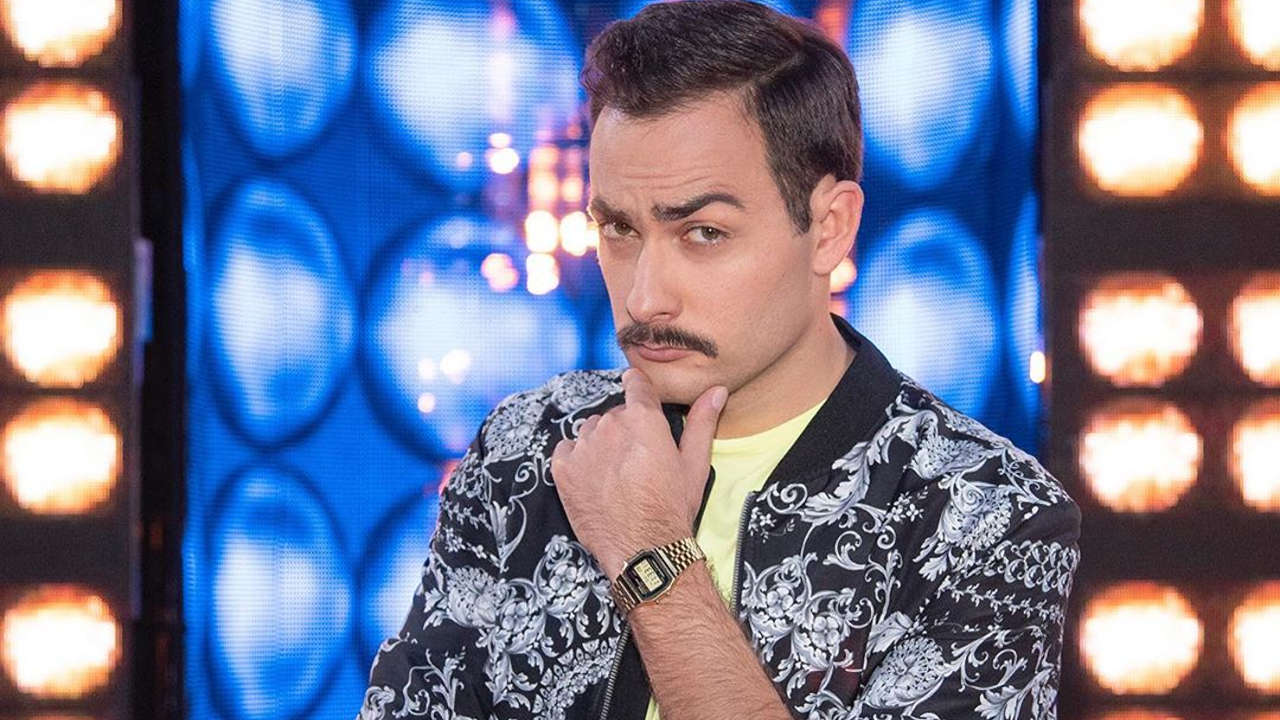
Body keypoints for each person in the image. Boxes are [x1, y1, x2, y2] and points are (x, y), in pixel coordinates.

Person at [357, 2, 1080, 719]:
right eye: (619, 229)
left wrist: (652, 557)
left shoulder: (989, 517)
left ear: (830, 227)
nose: (645, 298)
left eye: (703, 233)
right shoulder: (527, 449)